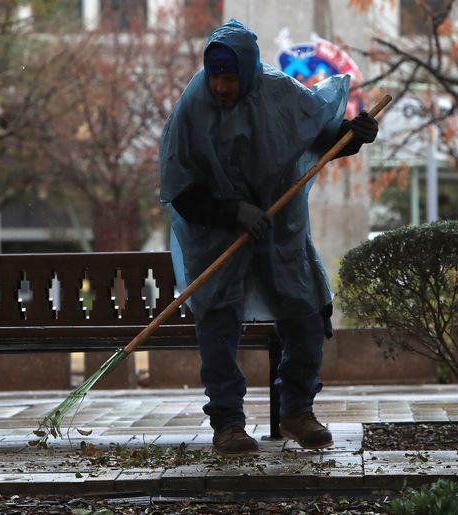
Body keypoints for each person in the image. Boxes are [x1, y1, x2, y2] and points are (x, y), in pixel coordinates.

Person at [159, 19, 378, 456]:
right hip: (217, 236)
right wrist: (231, 212)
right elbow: (180, 191)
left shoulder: (279, 92)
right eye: (216, 77)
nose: (221, 87)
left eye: (230, 77)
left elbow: (320, 135)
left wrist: (352, 137)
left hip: (281, 231)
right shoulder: (192, 108)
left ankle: (297, 409)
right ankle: (227, 422)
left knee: (306, 313)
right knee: (218, 322)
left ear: (249, 71)